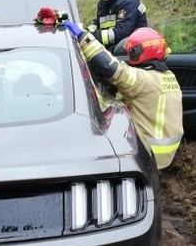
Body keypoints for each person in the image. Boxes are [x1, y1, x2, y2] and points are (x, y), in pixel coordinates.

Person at [61, 18, 183, 169]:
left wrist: (82, 36)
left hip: (149, 154)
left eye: (131, 52)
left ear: (139, 52)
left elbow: (111, 67)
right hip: (166, 152)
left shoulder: (143, 81)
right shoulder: (167, 76)